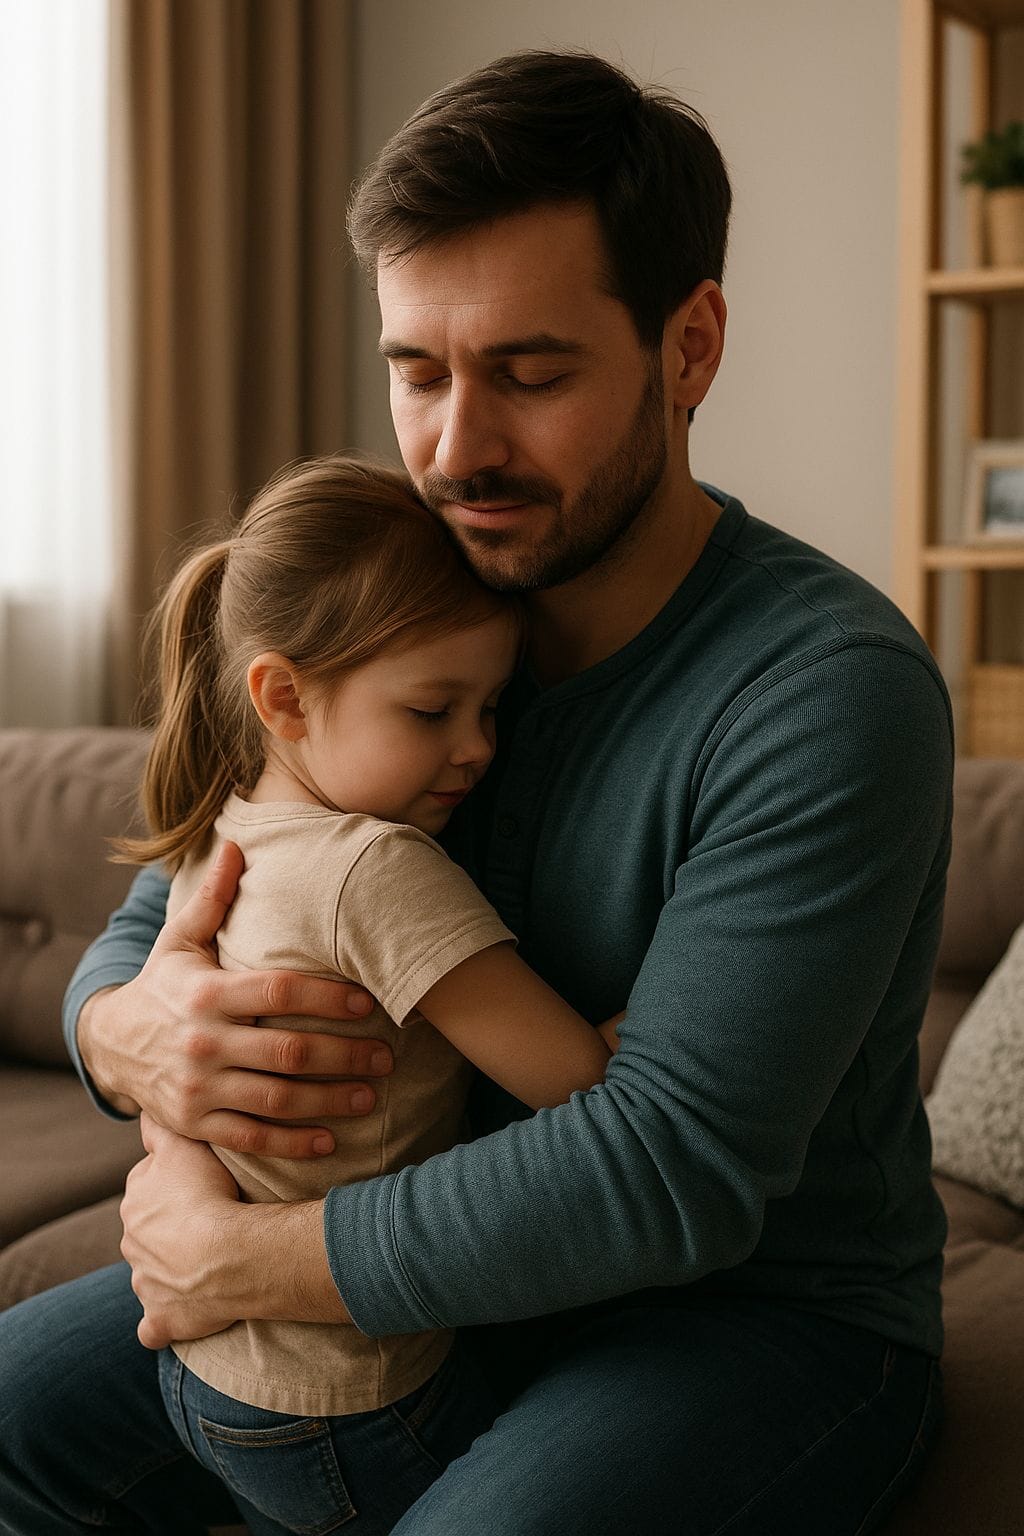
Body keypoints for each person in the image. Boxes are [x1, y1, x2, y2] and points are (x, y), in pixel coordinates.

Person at [0, 49, 952, 1536]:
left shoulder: (825, 691)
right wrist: (129, 1035)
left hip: (749, 1316)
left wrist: (238, 1258)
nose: (456, 450)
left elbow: (671, 1170)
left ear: (690, 346)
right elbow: (161, 913)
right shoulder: (404, 607)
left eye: (530, 373)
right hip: (431, 1290)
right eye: (417, 372)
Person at [106, 453, 613, 1534]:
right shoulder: (375, 869)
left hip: (206, 1374)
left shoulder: (222, 832)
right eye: (433, 710)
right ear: (284, 697)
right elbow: (578, 1081)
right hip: (349, 1395)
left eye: (491, 706)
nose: (477, 749)